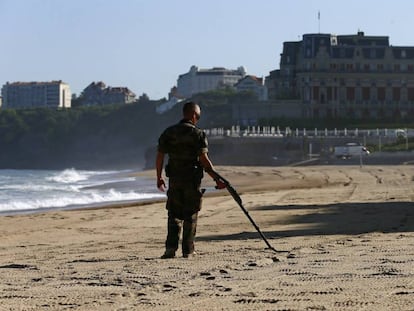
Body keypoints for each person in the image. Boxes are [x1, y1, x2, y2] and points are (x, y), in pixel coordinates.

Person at [156, 101, 226, 259]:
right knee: (191, 214)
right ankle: (188, 250)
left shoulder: (169, 132)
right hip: (191, 180)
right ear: (194, 115)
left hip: (174, 178)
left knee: (173, 213)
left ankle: (170, 249)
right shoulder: (198, 134)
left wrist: (159, 177)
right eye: (198, 117)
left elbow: (160, 155)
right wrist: (216, 179)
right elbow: (203, 159)